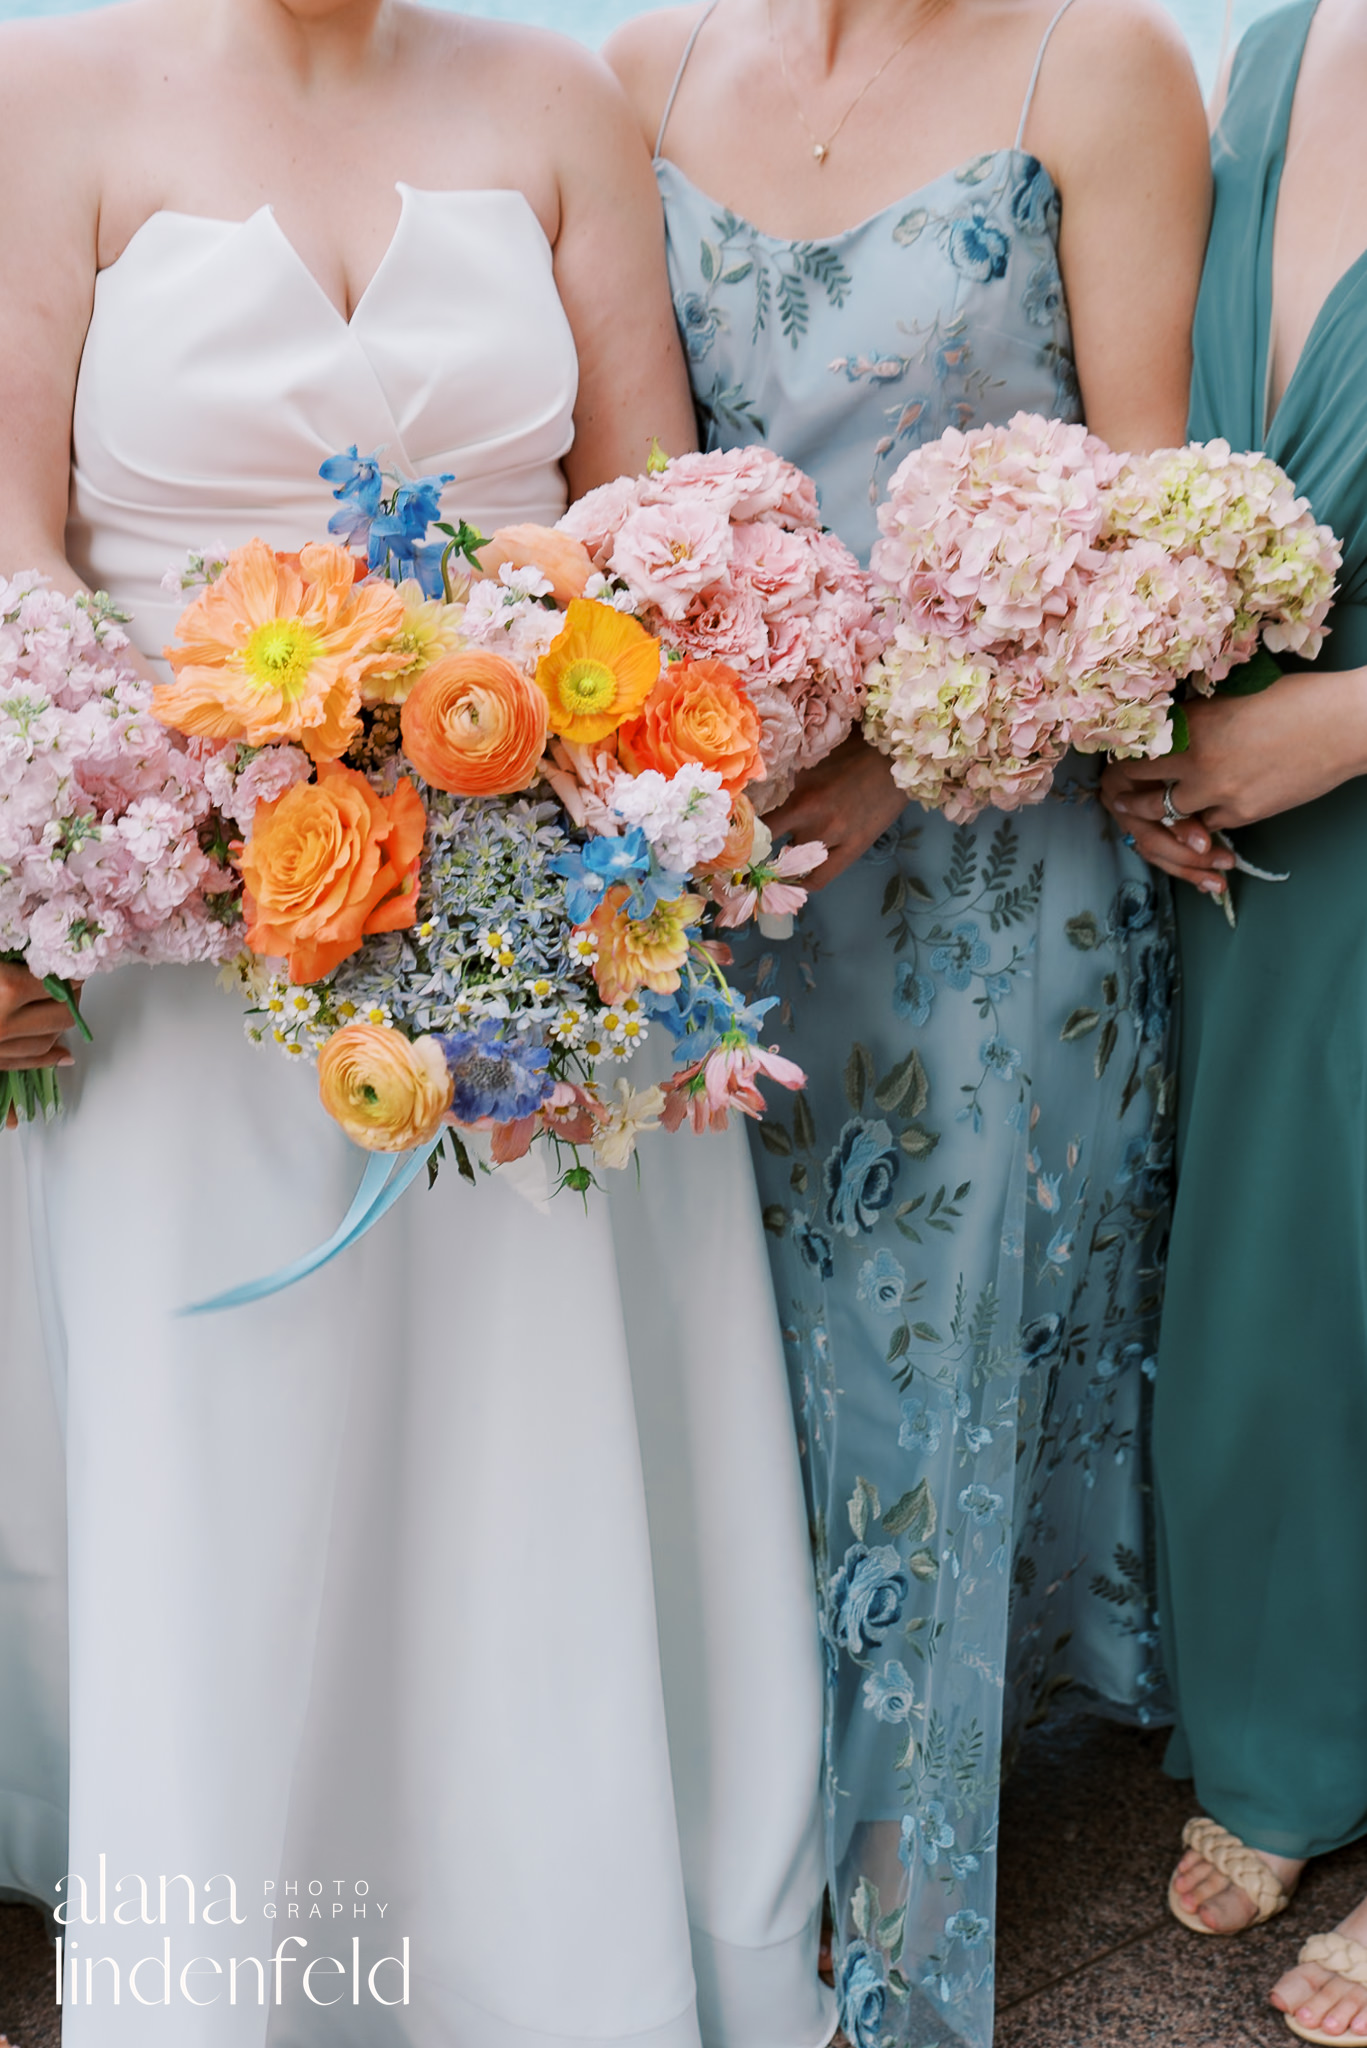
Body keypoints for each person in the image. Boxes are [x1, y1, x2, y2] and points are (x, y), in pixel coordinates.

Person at [0, 4, 833, 2042]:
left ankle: (554, 1963)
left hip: (528, 920)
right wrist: (56, 829)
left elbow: (647, 504)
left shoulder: (553, 104)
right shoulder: (51, 96)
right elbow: (8, 534)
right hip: (189, 939)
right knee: (236, 1481)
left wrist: (585, 731)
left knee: (520, 1463)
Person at [608, 3, 1209, 2040]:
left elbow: (1149, 514)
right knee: (716, 1354)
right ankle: (715, 1834)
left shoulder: (1100, 68)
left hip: (982, 852)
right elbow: (612, 491)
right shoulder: (640, 78)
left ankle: (894, 1904)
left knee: (926, 1342)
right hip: (709, 849)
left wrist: (906, 746)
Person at [1103, 2, 1367, 2039]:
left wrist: (1343, 724)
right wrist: (1137, 708)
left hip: (1332, 757)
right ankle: (1296, 1712)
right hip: (1259, 833)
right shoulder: (1268, 52)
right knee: (1283, 1265)